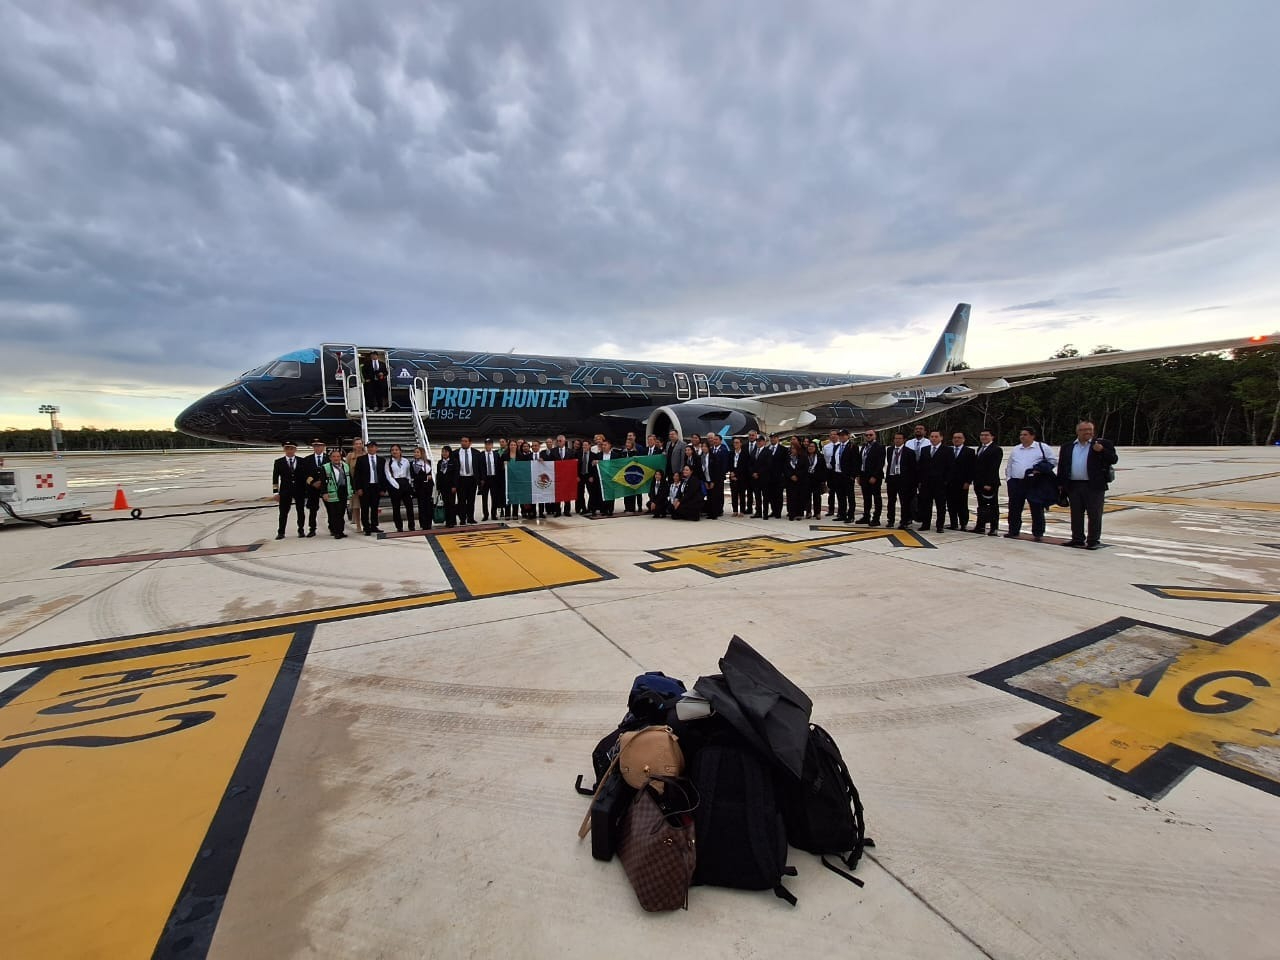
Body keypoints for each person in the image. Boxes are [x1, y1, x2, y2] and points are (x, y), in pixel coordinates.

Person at [1057, 420, 1118, 549]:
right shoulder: (1067, 447)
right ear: (1077, 432)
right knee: (1076, 514)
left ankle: (1093, 540)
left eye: (1090, 430)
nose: (1088, 432)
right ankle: (1077, 538)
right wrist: (1061, 484)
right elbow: (1062, 466)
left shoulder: (1102, 444)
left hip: (1094, 486)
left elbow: (1113, 459)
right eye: (1084, 430)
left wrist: (1101, 450)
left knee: (1094, 514)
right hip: (1073, 485)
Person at [1004, 426, 1057, 541]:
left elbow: (1052, 461)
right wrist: (1009, 479)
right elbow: (1010, 464)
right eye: (1021, 435)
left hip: (1034, 483)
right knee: (1014, 508)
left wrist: (1040, 469)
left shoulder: (1042, 447)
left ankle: (1038, 533)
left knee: (1036, 507)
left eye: (1025, 434)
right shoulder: (1016, 449)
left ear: (1032, 436)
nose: (1022, 437)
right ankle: (1013, 530)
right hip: (1017, 482)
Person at [271, 440, 307, 540]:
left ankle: (301, 530)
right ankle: (281, 532)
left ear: (295, 449)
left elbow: (304, 477)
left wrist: (306, 491)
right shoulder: (278, 462)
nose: (289, 450)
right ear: (284, 449)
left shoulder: (301, 461)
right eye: (287, 448)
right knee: (283, 512)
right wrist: (276, 492)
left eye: (291, 448)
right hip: (285, 491)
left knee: (300, 511)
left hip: (299, 490)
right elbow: (275, 478)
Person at [941, 431, 976, 530]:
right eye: (955, 437)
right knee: (951, 504)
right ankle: (953, 523)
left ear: (963, 439)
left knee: (962, 504)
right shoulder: (948, 450)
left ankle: (963, 523)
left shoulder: (969, 452)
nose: (956, 439)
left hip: (962, 483)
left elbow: (971, 468)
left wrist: (968, 481)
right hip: (950, 482)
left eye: (959, 438)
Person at [972, 429, 1003, 535]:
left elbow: (994, 468)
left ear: (992, 437)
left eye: (986, 435)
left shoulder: (996, 449)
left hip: (989, 484)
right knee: (982, 506)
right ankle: (980, 526)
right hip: (979, 483)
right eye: (982, 435)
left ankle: (994, 528)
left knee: (993, 506)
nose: (983, 437)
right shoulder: (980, 448)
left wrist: (988, 483)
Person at [884, 431, 917, 529]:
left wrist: (912, 482)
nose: (897, 440)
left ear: (904, 440)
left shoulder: (909, 452)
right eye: (896, 438)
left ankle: (904, 520)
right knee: (891, 501)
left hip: (903, 480)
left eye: (899, 438)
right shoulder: (890, 450)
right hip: (892, 478)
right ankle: (890, 520)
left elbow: (912, 468)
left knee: (904, 501)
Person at [916, 430, 946, 532]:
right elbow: (920, 466)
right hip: (926, 483)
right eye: (932, 436)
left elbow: (950, 467)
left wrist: (946, 482)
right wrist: (920, 481)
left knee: (940, 506)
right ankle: (925, 524)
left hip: (940, 483)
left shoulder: (947, 450)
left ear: (941, 438)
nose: (934, 438)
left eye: (936, 436)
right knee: (925, 505)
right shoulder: (925, 449)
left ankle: (940, 525)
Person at [353, 439, 384, 535]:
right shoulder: (361, 459)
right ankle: (366, 527)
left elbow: (383, 475)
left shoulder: (381, 460)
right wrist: (358, 488)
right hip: (365, 487)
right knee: (365, 508)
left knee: (375, 508)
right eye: (369, 447)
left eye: (373, 446)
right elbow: (357, 475)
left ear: (376, 448)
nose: (371, 448)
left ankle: (374, 525)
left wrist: (383, 488)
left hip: (376, 487)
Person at [383, 443, 415, 531]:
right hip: (394, 484)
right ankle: (399, 526)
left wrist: (408, 483)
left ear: (400, 451)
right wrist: (396, 485)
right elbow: (388, 475)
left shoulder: (405, 461)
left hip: (405, 483)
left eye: (396, 450)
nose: (394, 451)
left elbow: (408, 473)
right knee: (396, 507)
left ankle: (411, 525)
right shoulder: (388, 462)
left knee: (409, 506)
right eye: (393, 450)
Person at [856, 429, 885, 526]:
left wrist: (875, 476)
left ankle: (876, 518)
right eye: (866, 435)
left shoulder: (879, 447)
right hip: (864, 475)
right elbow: (860, 462)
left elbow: (880, 463)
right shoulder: (864, 447)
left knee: (876, 497)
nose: (868, 436)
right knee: (866, 497)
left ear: (875, 436)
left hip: (874, 477)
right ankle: (866, 516)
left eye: (870, 435)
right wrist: (859, 475)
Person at [301, 438, 329, 537]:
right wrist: (312, 482)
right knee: (313, 509)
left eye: (319, 445)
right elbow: (304, 474)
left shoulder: (328, 458)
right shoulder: (307, 460)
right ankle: (312, 529)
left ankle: (332, 527)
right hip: (312, 488)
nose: (317, 448)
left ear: (323, 447)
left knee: (330, 508)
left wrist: (322, 482)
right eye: (315, 446)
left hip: (325, 487)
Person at [320, 448, 350, 538]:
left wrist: (351, 491)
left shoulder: (345, 466)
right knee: (333, 513)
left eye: (338, 456)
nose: (336, 458)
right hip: (331, 493)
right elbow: (323, 482)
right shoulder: (325, 467)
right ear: (330, 458)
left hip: (343, 491)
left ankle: (341, 531)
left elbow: (349, 479)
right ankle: (335, 531)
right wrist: (324, 493)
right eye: (334, 457)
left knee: (341, 513)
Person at [704, 432, 731, 519]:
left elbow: (724, 464)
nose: (714, 441)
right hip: (710, 477)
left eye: (716, 439)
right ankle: (712, 510)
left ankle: (719, 510)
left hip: (719, 477)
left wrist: (721, 475)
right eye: (713, 439)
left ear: (720, 440)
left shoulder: (723, 450)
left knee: (718, 494)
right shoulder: (711, 449)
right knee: (711, 495)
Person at [455, 436, 478, 524]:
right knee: (461, 500)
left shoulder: (476, 453)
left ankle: (471, 518)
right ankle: (462, 519)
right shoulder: (456, 453)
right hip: (461, 479)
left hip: (472, 479)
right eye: (462, 441)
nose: (463, 443)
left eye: (465, 441)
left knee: (471, 500)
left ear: (470, 443)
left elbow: (478, 468)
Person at [410, 445, 434, 530]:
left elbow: (432, 474)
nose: (416, 454)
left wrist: (429, 478)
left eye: (418, 452)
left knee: (428, 505)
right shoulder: (413, 464)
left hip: (428, 487)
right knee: (422, 506)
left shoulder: (428, 462)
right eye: (415, 452)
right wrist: (426, 477)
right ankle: (423, 524)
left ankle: (429, 523)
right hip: (419, 488)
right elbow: (415, 477)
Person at [479, 439, 502, 521]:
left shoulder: (496, 454)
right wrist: (481, 479)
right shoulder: (481, 455)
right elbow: (479, 468)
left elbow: (499, 467)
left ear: (492, 445)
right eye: (486, 444)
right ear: (484, 445)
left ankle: (493, 514)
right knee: (484, 498)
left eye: (489, 444)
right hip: (484, 480)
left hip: (494, 478)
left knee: (494, 497)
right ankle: (485, 515)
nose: (488, 446)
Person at [346, 438, 366, 528]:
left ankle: (366, 523)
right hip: (354, 483)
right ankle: (358, 524)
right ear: (353, 445)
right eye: (356, 443)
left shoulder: (366, 454)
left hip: (365, 483)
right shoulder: (350, 456)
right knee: (356, 506)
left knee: (365, 505)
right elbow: (346, 470)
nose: (358, 445)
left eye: (360, 443)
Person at [784, 437, 805, 520]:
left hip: (799, 480)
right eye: (791, 448)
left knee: (799, 497)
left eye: (794, 448)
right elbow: (785, 468)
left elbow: (804, 468)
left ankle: (799, 513)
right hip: (790, 480)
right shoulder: (788, 458)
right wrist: (791, 475)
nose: (793, 450)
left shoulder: (802, 457)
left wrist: (797, 475)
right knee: (790, 497)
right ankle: (791, 513)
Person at [437, 445, 458, 527]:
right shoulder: (440, 462)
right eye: (443, 452)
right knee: (446, 504)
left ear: (449, 452)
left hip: (451, 486)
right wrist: (438, 487)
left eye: (446, 451)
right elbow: (438, 475)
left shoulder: (454, 462)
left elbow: (456, 475)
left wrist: (454, 485)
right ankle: (447, 520)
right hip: (443, 487)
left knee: (451, 503)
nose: (444, 453)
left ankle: (452, 521)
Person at [821, 429, 840, 516]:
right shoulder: (826, 447)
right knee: (831, 492)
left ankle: (841, 510)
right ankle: (831, 509)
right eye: (831, 434)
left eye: (835, 434)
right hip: (830, 471)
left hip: (839, 471)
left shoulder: (841, 446)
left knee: (840, 492)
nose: (833, 436)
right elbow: (825, 460)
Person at [805, 439, 825, 519]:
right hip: (807, 479)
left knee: (817, 497)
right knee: (807, 497)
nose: (810, 448)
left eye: (812, 446)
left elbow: (823, 468)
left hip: (817, 479)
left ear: (815, 448)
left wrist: (823, 480)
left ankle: (817, 512)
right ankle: (808, 512)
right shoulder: (804, 456)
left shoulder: (820, 456)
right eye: (809, 446)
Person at [729, 437, 749, 516]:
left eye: (737, 442)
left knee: (742, 495)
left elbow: (745, 467)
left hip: (741, 477)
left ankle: (742, 511)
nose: (735, 444)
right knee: (734, 494)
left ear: (741, 443)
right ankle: (735, 510)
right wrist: (731, 473)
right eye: (734, 442)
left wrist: (736, 474)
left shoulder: (745, 454)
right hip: (732, 477)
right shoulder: (731, 453)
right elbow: (730, 464)